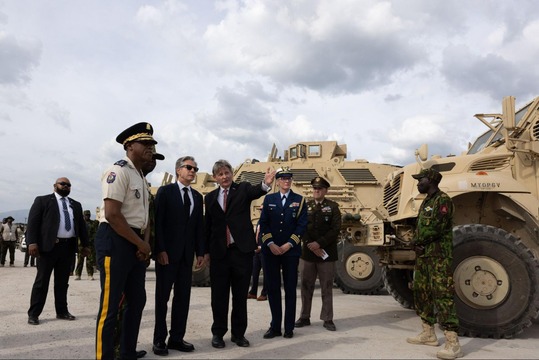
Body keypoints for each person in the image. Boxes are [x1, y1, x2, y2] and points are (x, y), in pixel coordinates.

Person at [95, 122, 156, 360]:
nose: (151, 148)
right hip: (116, 240)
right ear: (130, 146)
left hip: (135, 242)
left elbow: (144, 217)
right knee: (110, 308)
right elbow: (112, 214)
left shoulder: (140, 176)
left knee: (137, 300)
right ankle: (104, 356)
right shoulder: (118, 171)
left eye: (152, 143)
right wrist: (140, 244)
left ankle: (127, 351)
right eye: (146, 143)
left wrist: (145, 244)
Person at [204, 159, 275, 349]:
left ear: (232, 174)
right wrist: (204, 252)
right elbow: (207, 227)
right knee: (218, 297)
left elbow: (257, 191)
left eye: (227, 172)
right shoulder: (209, 198)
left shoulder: (242, 189)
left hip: (241, 253)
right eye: (220, 174)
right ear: (215, 178)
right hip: (219, 254)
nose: (224, 176)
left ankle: (238, 334)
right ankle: (218, 333)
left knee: (239, 296)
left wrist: (266, 183)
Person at [406, 168, 462, 360]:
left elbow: (436, 228)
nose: (417, 183)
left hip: (438, 256)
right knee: (422, 293)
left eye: (420, 179)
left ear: (430, 180)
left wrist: (415, 241)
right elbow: (420, 228)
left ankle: (452, 342)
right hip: (424, 256)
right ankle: (428, 333)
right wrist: (418, 244)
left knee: (443, 295)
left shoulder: (443, 200)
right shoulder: (426, 202)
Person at [152, 156, 205, 356]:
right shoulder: (165, 192)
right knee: (162, 298)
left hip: (186, 257)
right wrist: (160, 250)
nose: (193, 171)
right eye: (189, 167)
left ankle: (176, 338)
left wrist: (200, 252)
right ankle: (159, 340)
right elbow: (158, 223)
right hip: (167, 255)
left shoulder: (197, 197)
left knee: (183, 299)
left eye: (195, 168)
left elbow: (199, 226)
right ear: (178, 170)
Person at [26, 178, 90, 325]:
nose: (66, 186)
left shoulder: (75, 204)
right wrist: (32, 242)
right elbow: (33, 223)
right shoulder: (42, 201)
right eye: (63, 184)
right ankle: (34, 314)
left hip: (67, 248)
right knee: (42, 282)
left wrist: (85, 245)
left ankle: (61, 311)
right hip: (48, 248)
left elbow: (81, 226)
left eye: (68, 185)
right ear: (55, 186)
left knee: (62, 282)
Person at [259, 167, 308, 339]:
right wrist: (270, 243)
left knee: (289, 289)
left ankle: (288, 327)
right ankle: (275, 326)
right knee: (272, 289)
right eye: (283, 178)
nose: (286, 181)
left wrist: (289, 244)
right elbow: (263, 223)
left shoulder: (300, 200)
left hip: (290, 252)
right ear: (278, 181)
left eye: (289, 178)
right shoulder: (269, 199)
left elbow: (302, 226)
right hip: (271, 251)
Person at [294, 177, 341, 331]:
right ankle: (304, 316)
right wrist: (312, 245)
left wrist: (319, 244)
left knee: (326, 287)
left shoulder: (333, 207)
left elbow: (335, 230)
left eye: (319, 189)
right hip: (308, 253)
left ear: (325, 190)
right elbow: (301, 227)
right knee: (306, 286)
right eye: (314, 188)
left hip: (326, 253)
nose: (316, 191)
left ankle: (328, 319)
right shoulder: (305, 206)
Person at [75, 210, 97, 280]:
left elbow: (95, 233)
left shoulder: (93, 223)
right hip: (81, 245)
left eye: (88, 215)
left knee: (89, 261)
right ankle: (78, 274)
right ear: (83, 215)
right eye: (86, 215)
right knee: (80, 261)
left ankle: (90, 274)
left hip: (90, 244)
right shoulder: (80, 224)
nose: (87, 216)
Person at [247, 223, 267, 301]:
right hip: (256, 251)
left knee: (266, 273)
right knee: (255, 272)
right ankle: (253, 292)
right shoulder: (259, 222)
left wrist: (262, 247)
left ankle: (264, 293)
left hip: (264, 250)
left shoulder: (268, 220)